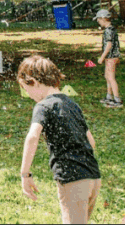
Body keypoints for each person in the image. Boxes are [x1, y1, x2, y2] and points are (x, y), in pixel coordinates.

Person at [18, 55, 101, 225]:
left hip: (72, 178)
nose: (28, 95)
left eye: (26, 89)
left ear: (33, 81)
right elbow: (90, 142)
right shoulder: (71, 104)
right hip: (93, 177)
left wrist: (25, 174)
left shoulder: (43, 106)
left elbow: (33, 136)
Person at [95, 9, 121, 108]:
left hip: (111, 57)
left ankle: (117, 100)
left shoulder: (108, 31)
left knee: (111, 78)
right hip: (111, 57)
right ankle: (109, 97)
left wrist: (102, 57)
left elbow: (109, 45)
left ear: (103, 19)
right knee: (107, 76)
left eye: (98, 19)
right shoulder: (112, 29)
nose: (98, 21)